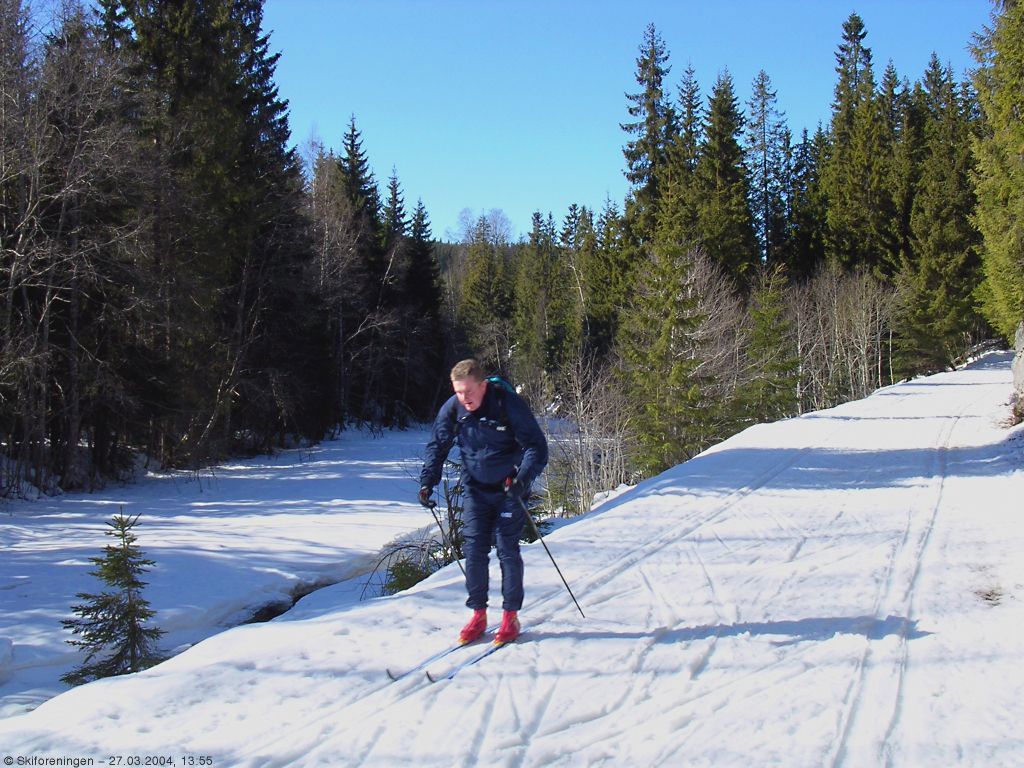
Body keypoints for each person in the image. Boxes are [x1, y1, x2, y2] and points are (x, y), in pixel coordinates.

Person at [419, 359, 548, 645]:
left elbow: (536, 447)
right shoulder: (454, 408)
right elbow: (438, 444)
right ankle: (478, 614)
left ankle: (510, 616)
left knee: (506, 550)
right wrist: (428, 480)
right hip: (475, 487)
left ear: (483, 385)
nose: (465, 398)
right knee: (474, 550)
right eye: (459, 392)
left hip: (508, 488)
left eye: (469, 392)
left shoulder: (507, 404)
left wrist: (522, 480)